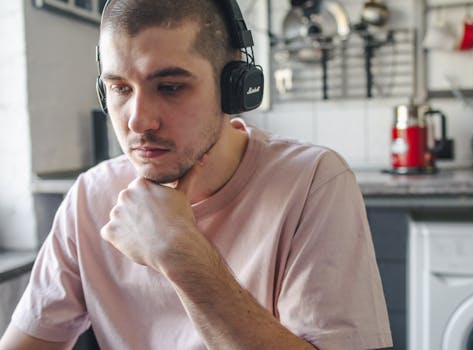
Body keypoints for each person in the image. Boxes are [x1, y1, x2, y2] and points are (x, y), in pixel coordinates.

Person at [0, 0, 392, 349]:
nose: (139, 120)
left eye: (170, 87)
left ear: (235, 88)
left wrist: (183, 257)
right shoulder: (90, 196)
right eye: (119, 88)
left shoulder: (313, 182)